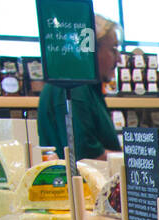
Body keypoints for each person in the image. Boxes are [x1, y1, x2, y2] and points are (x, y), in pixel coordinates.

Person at [36, 15, 121, 161]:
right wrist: (137, 159)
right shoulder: (75, 87)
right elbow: (86, 157)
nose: (119, 58)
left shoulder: (87, 87)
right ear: (91, 50)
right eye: (113, 50)